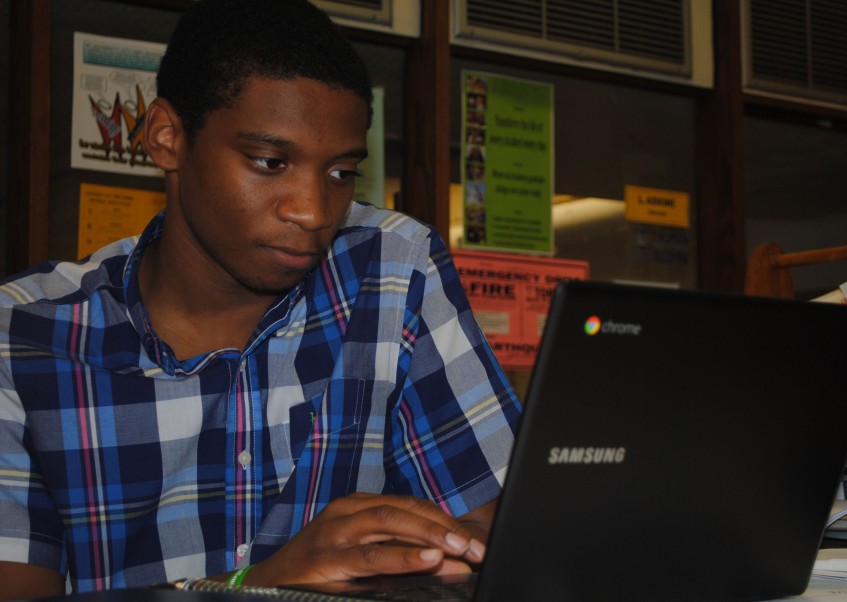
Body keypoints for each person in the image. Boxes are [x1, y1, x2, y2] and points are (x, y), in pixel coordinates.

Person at [0, 1, 521, 598]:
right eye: (270, 162)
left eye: (341, 173)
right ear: (167, 137)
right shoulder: (21, 338)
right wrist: (257, 585)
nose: (312, 211)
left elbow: (499, 535)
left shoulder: (393, 269)